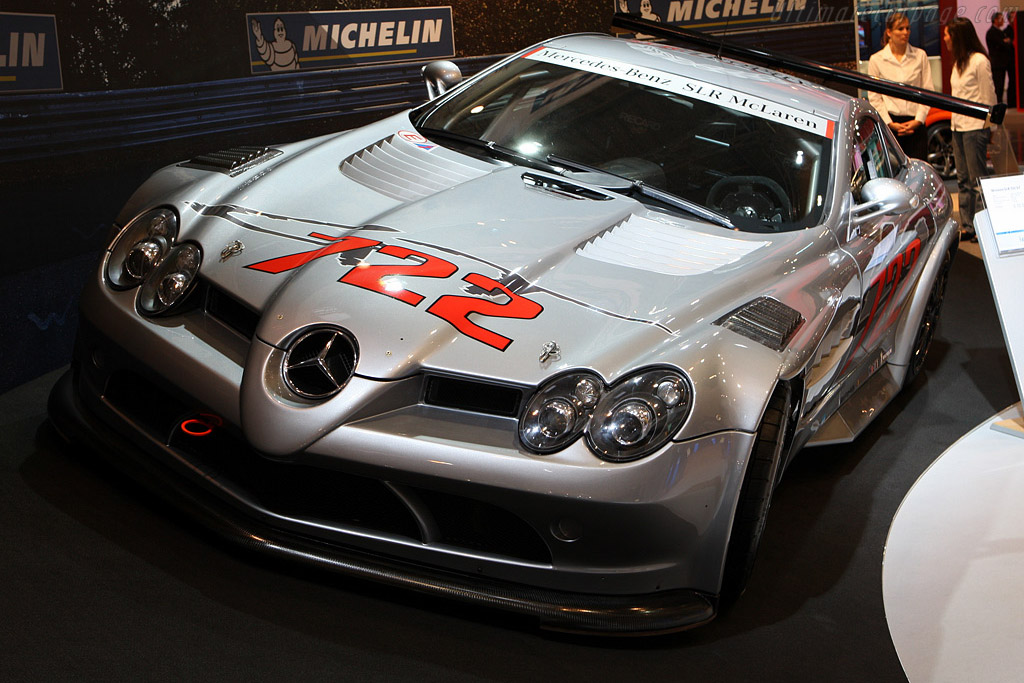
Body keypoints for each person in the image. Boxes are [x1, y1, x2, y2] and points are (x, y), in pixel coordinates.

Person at [944, 17, 998, 241]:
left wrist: (990, 127)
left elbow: (989, 97)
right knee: (964, 179)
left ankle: (983, 226)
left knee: (978, 181)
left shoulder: (979, 61)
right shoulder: (958, 62)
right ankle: (968, 224)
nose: (945, 38)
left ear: (957, 37)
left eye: (948, 34)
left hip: (975, 128)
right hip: (958, 127)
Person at [867, 13, 933, 160]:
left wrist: (918, 120)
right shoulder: (876, 60)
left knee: (918, 173)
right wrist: (890, 123)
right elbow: (875, 97)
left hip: (916, 124)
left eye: (908, 28)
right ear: (889, 32)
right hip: (890, 125)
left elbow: (927, 92)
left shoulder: (920, 55)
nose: (905, 32)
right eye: (900, 28)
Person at [986, 12, 1016, 105]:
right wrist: (1006, 42)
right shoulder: (991, 32)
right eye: (1000, 18)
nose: (1003, 20)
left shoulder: (1001, 32)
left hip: (1002, 63)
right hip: (997, 64)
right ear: (995, 20)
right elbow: (1003, 44)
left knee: (1002, 85)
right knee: (998, 86)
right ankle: (997, 105)